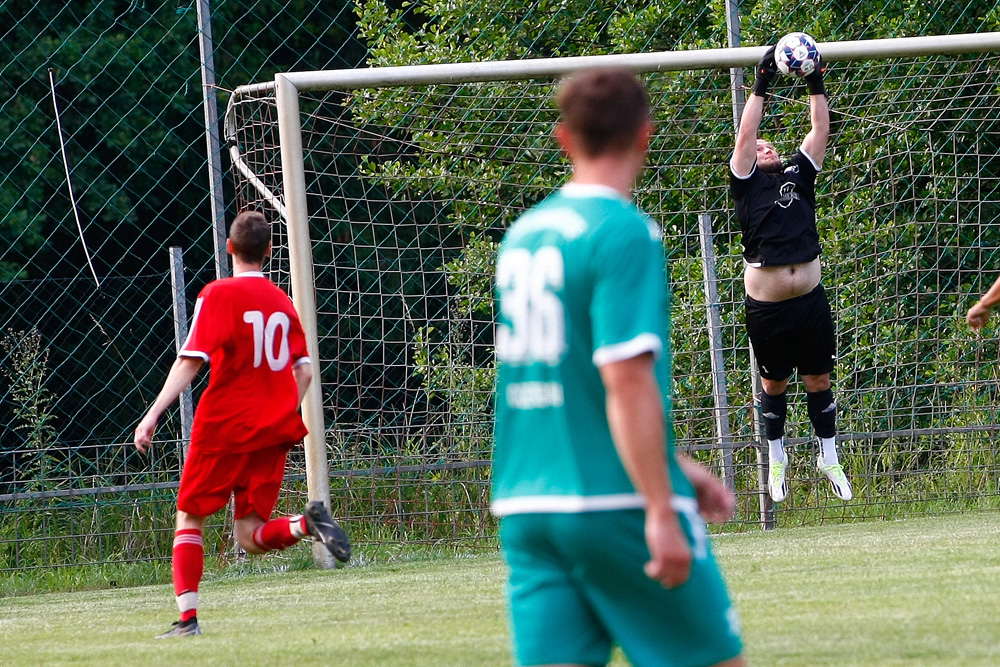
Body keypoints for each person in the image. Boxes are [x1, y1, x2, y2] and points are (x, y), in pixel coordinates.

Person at [491, 67, 744, 667]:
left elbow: (570, 384)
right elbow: (624, 379)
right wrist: (660, 504)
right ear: (645, 136)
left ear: (563, 138)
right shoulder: (623, 231)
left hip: (528, 509)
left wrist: (677, 465)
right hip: (613, 502)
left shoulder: (523, 236)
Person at [134, 210, 350, 639]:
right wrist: (281, 411)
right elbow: (304, 371)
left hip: (225, 427)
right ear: (270, 251)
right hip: (272, 432)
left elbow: (190, 361)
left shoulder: (217, 294)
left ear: (229, 248)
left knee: (189, 517)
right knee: (250, 536)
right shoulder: (282, 301)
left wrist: (153, 413)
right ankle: (307, 524)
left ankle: (188, 620)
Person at [730, 43, 852, 503]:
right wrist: (762, 81)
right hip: (768, 309)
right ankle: (777, 459)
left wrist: (814, 78)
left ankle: (828, 455)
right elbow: (746, 135)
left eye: (768, 144)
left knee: (819, 379)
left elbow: (821, 126)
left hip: (810, 301)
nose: (763, 146)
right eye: (757, 145)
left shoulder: (799, 172)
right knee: (774, 383)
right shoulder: (745, 182)